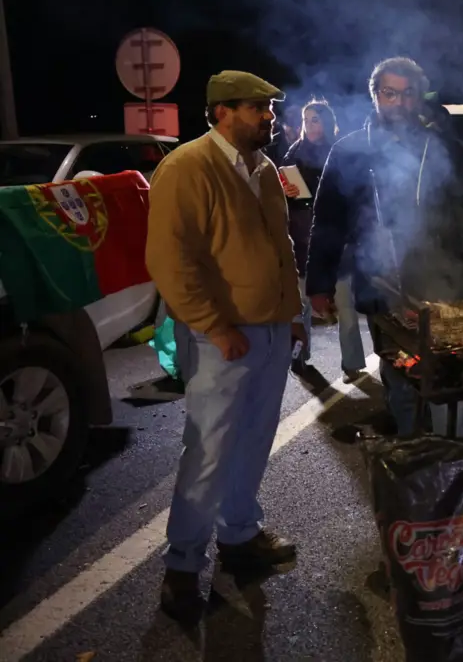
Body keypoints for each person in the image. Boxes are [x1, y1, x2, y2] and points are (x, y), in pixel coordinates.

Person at [145, 70, 304, 622]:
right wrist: (215, 327)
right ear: (222, 112)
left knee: (254, 441)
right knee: (209, 452)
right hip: (224, 339)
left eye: (270, 107)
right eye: (258, 107)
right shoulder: (187, 167)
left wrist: (293, 314)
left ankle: (239, 537)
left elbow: (279, 248)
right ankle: (182, 569)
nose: (269, 116)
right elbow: (171, 259)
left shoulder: (260, 169)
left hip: (270, 332)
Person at [306, 56, 463, 437]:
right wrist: (319, 284)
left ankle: (453, 455)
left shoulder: (445, 149)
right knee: (397, 372)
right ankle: (412, 448)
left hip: (443, 285)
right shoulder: (349, 151)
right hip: (382, 286)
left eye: (408, 94)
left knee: (447, 373)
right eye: (390, 93)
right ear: (375, 95)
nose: (400, 103)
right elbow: (327, 222)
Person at [281, 99, 367, 381]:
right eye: (306, 120)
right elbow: (281, 196)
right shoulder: (293, 154)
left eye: (315, 120)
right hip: (302, 238)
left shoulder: (340, 152)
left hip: (334, 242)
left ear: (328, 122)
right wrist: (288, 193)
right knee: (300, 306)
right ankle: (299, 357)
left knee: (345, 305)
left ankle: (352, 364)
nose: (309, 126)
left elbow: (350, 197)